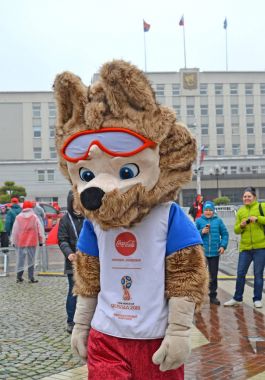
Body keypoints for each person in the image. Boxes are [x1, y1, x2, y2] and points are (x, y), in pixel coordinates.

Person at [224, 187, 265, 308]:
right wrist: (241, 226)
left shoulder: (261, 207)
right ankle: (237, 298)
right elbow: (236, 230)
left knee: (258, 274)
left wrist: (258, 219)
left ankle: (257, 299)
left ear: (254, 197)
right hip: (245, 248)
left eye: (249, 196)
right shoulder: (241, 211)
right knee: (240, 273)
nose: (246, 198)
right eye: (245, 197)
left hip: (260, 247)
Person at [58, 190, 84, 334]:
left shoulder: (90, 217)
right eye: (75, 203)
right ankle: (71, 321)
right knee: (73, 291)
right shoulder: (65, 219)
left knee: (92, 292)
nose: (78, 207)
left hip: (90, 262)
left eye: (80, 203)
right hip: (73, 262)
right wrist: (69, 253)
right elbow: (62, 240)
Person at [196, 201, 229, 305]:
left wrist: (223, 246)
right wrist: (202, 232)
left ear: (213, 211)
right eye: (206, 210)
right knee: (200, 275)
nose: (208, 212)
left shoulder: (218, 221)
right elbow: (192, 235)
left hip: (215, 253)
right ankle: (199, 296)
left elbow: (225, 234)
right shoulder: (198, 221)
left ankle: (213, 296)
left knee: (213, 276)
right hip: (202, 253)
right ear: (203, 210)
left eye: (210, 210)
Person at [11, 200, 45, 283]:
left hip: (21, 241)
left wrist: (13, 241)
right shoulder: (34, 217)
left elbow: (15, 231)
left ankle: (19, 277)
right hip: (32, 241)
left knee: (20, 260)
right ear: (31, 207)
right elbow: (40, 230)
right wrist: (41, 240)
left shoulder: (18, 217)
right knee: (31, 260)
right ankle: (31, 277)